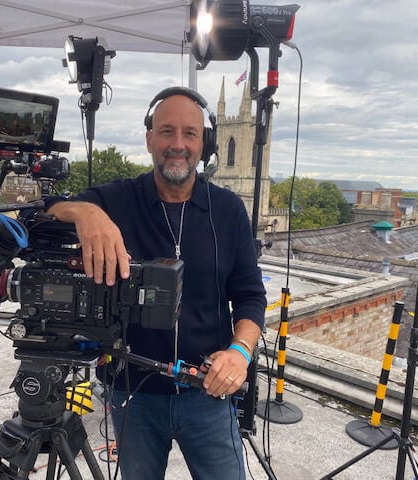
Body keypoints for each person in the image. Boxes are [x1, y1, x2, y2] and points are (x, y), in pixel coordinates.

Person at [46, 87, 266, 479]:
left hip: (208, 393)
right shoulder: (118, 199)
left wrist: (241, 352)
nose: (177, 144)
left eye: (190, 133)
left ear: (205, 143)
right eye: (167, 132)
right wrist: (84, 211)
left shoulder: (229, 210)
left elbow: (250, 298)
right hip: (133, 394)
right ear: (150, 139)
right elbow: (47, 210)